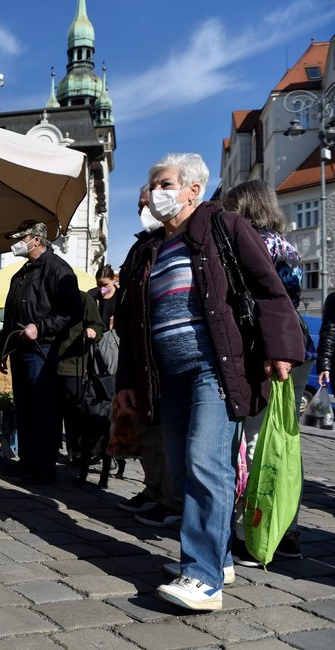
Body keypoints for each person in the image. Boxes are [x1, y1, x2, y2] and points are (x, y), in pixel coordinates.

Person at [116, 153, 304, 611]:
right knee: (183, 468)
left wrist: (280, 347)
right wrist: (127, 381)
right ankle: (217, 558)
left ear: (192, 190)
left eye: (164, 183)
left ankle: (202, 578)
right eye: (153, 184)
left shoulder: (224, 227)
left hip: (213, 368)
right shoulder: (149, 248)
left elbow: (267, 288)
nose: (156, 192)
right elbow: (131, 322)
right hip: (167, 375)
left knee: (206, 464)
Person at [222, 178, 314, 564]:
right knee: (285, 440)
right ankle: (287, 527)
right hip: (296, 346)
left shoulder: (252, 244)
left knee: (256, 442)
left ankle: (254, 530)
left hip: (267, 349)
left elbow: (258, 303)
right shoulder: (286, 246)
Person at [114, 185, 182, 528]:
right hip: (139, 349)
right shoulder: (142, 243)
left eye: (148, 202)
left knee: (165, 430)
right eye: (141, 203)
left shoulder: (171, 242)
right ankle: (154, 489)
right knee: (146, 427)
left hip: (161, 350)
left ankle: (172, 498)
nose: (145, 207)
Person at [0, 220, 81, 485]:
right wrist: (2, 349)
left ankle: (43, 468)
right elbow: (10, 316)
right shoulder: (21, 273)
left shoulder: (57, 269)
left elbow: (71, 311)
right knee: (25, 408)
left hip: (42, 349)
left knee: (42, 410)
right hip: (20, 349)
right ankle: (28, 463)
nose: (16, 243)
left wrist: (41, 327)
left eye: (21, 238)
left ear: (36, 239)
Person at [57, 291, 104, 479]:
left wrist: (93, 330)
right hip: (46, 362)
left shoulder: (83, 298)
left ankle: (75, 450)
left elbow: (97, 325)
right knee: (51, 410)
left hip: (72, 364)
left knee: (73, 411)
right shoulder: (50, 297)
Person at [89, 265, 118, 331]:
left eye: (105, 285)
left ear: (113, 280)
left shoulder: (121, 296)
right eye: (99, 285)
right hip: (96, 337)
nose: (102, 289)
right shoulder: (91, 295)